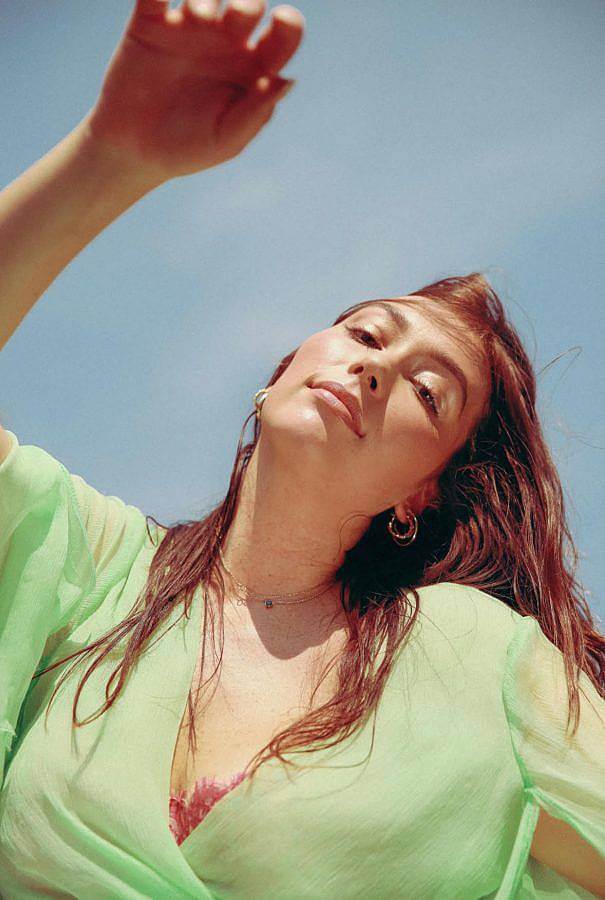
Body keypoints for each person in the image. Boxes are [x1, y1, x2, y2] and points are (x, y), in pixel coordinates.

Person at [0, 1, 603, 897]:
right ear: (279, 376)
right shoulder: (86, 563)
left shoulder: (477, 657)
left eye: (426, 389)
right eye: (365, 335)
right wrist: (110, 157)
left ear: (421, 495)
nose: (375, 369)